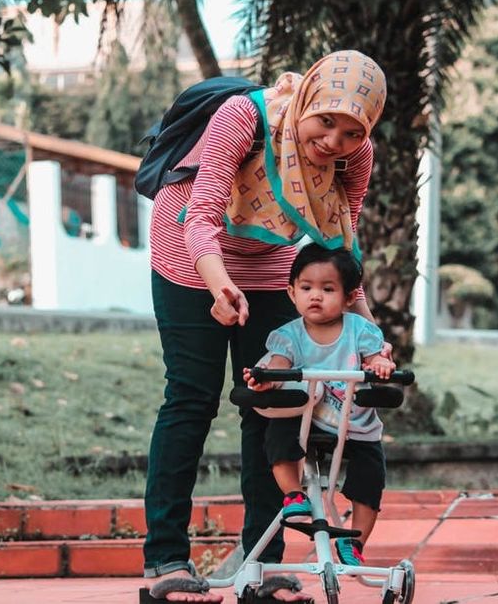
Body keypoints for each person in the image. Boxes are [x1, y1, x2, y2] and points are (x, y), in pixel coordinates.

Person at [143, 50, 389, 603]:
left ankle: (262, 565)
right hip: (188, 255)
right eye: (326, 121)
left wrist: (370, 331)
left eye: (352, 132)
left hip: (271, 262)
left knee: (275, 401)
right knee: (191, 399)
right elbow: (200, 216)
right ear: (307, 102)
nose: (334, 142)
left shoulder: (358, 156)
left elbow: (341, 246)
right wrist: (217, 284)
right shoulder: (242, 116)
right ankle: (165, 560)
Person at [243, 244, 393, 568]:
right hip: (306, 421)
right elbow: (280, 365)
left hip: (355, 425)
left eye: (328, 289)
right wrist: (267, 379)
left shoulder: (361, 330)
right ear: (291, 291)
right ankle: (294, 494)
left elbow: (375, 356)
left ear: (350, 297)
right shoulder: (287, 335)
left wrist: (380, 363)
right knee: (277, 433)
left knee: (370, 479)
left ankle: (355, 543)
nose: (316, 296)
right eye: (307, 288)